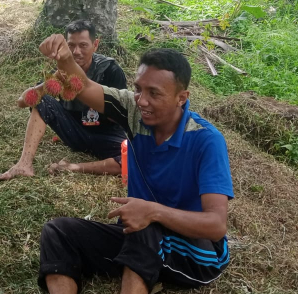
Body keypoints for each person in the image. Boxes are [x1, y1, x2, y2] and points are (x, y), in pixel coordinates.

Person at [37, 37, 234, 294]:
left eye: (154, 93)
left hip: (198, 252)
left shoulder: (206, 140)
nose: (141, 100)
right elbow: (83, 86)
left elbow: (216, 226)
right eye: (139, 89)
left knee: (145, 228)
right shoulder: (134, 112)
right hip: (140, 235)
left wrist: (153, 212)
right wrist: (64, 59)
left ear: (181, 98)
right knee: (58, 232)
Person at [0, 20, 128, 181]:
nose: (76, 51)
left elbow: (121, 116)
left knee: (131, 158)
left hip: (106, 134)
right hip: (74, 133)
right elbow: (21, 102)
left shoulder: (110, 70)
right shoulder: (61, 70)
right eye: (71, 45)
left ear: (95, 44)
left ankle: (74, 168)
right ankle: (24, 164)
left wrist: (89, 95)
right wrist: (47, 85)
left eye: (83, 45)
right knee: (43, 101)